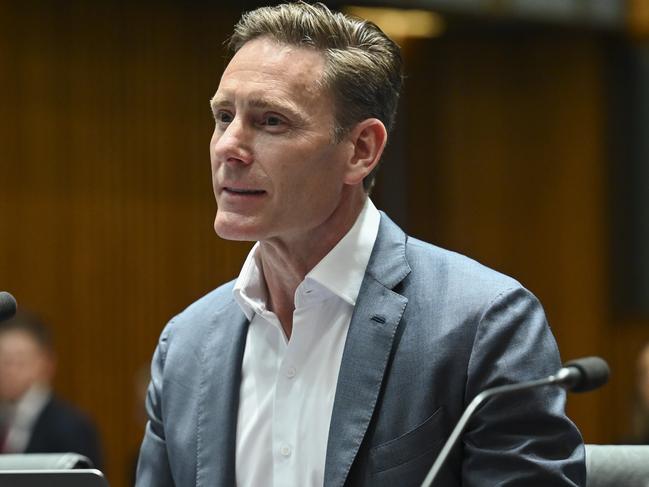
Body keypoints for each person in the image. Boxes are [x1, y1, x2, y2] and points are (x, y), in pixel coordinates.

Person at [136, 2, 585, 486]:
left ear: (361, 150)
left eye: (270, 122)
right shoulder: (186, 344)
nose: (229, 146)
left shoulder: (480, 326)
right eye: (224, 116)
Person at [0, 311, 103, 468]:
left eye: (19, 360)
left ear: (47, 364)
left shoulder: (72, 427)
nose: (9, 370)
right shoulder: (5, 418)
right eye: (3, 360)